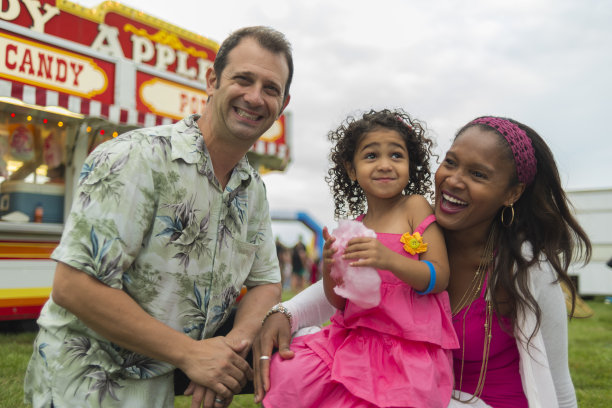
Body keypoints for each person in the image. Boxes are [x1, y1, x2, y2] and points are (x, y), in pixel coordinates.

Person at [24, 25, 293, 408]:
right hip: (86, 382)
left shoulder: (253, 189)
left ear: (282, 104)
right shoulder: (136, 157)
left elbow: (266, 282)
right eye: (243, 79)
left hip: (159, 385)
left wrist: (227, 352)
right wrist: (191, 354)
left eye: (271, 88)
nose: (255, 97)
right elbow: (74, 286)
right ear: (212, 81)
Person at [254, 115, 590, 408]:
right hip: (406, 393)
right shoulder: (420, 230)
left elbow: (559, 385)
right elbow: (355, 290)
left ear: (512, 193)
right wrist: (286, 312)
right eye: (451, 162)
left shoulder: (527, 268)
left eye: (478, 174)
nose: (454, 180)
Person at [262, 109, 457, 407]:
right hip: (358, 341)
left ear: (410, 165)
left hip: (408, 348)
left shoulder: (415, 207)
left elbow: (439, 277)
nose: (384, 165)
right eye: (370, 156)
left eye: (396, 156)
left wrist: (389, 260)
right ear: (351, 170)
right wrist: (331, 268)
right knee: (289, 372)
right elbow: (339, 302)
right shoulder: (355, 226)